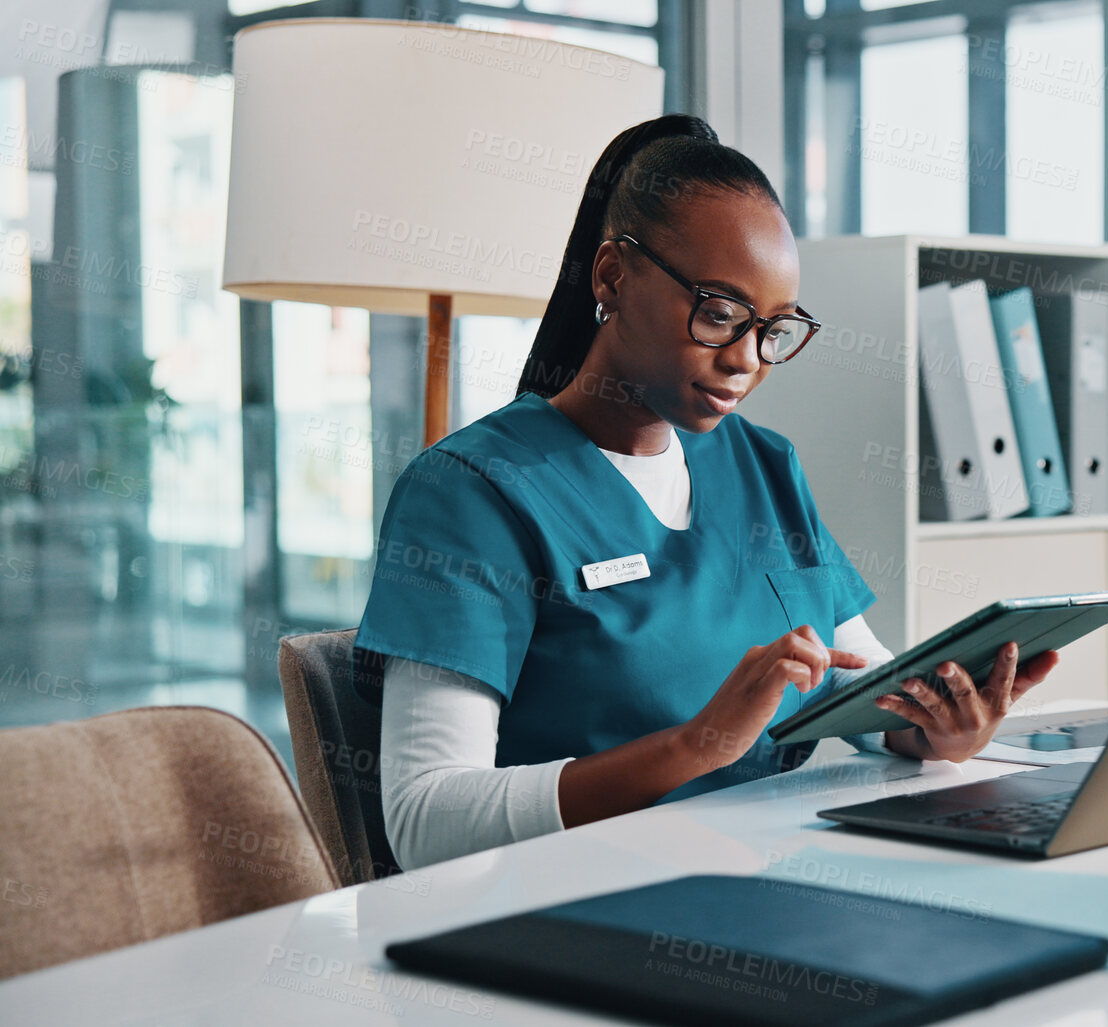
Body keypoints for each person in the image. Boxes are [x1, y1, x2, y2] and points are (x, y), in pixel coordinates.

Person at [353, 114, 1059, 871]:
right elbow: (424, 821)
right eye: (718, 314)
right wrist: (699, 745)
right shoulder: (473, 493)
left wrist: (941, 727)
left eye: (774, 330)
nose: (746, 360)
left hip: (768, 878)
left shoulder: (762, 465)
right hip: (574, 906)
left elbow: (866, 689)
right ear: (611, 277)